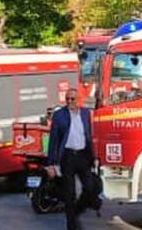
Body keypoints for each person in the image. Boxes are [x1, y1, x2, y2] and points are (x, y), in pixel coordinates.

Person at [48, 88, 97, 230]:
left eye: (72, 99)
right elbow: (54, 140)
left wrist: (93, 157)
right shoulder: (59, 115)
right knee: (69, 193)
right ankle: (72, 225)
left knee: (90, 188)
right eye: (67, 99)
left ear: (79, 100)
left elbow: (88, 136)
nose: (69, 101)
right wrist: (51, 164)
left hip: (83, 155)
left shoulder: (85, 113)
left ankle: (75, 211)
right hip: (67, 157)